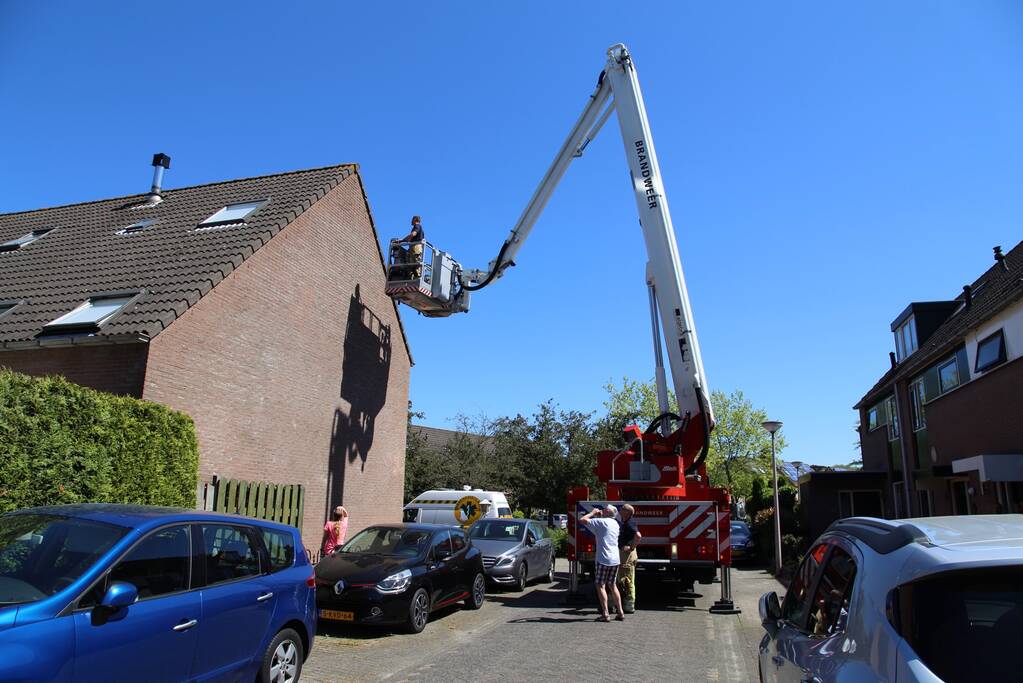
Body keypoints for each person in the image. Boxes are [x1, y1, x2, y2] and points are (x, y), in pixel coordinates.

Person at [580, 505, 625, 622]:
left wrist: (593, 512)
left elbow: (583, 520)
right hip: (615, 559)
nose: (603, 510)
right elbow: (602, 527)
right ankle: (620, 612)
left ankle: (605, 613)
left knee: (600, 585)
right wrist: (600, 516)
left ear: (607, 512)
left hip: (603, 559)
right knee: (613, 585)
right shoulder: (615, 524)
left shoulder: (601, 522)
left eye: (605, 509)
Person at [617, 504, 642, 614]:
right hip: (625, 555)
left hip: (627, 556)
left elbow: (638, 536)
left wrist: (631, 547)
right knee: (624, 579)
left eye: (622, 509)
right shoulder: (626, 522)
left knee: (627, 580)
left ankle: (629, 606)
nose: (620, 510)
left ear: (627, 512)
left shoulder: (630, 523)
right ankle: (626, 604)